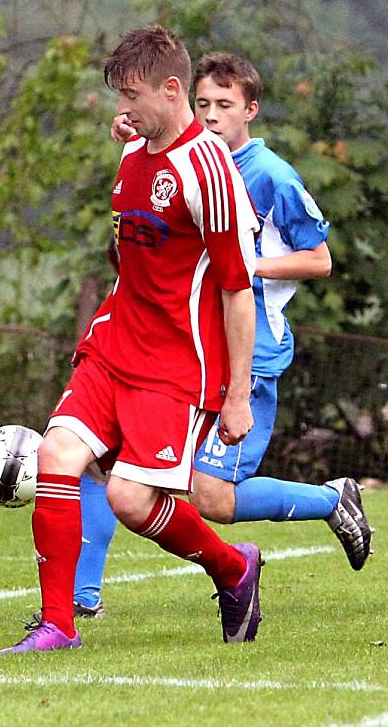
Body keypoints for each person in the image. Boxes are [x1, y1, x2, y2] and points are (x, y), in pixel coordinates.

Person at [73, 52, 372, 619]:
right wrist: (128, 129)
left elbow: (320, 260)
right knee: (101, 456)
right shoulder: (182, 160)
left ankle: (333, 499)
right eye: (203, 103)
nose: (211, 116)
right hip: (180, 350)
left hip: (246, 353)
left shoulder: (271, 175)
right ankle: (82, 597)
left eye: (225, 106)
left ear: (250, 111)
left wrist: (242, 265)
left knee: (211, 497)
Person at [0, 26, 263, 654]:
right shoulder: (134, 151)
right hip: (115, 344)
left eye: (133, 96)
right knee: (57, 458)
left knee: (128, 497)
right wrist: (131, 131)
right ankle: (58, 627)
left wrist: (238, 395)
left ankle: (233, 568)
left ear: (173, 91)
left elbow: (236, 288)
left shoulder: (209, 172)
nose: (123, 110)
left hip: (179, 364)